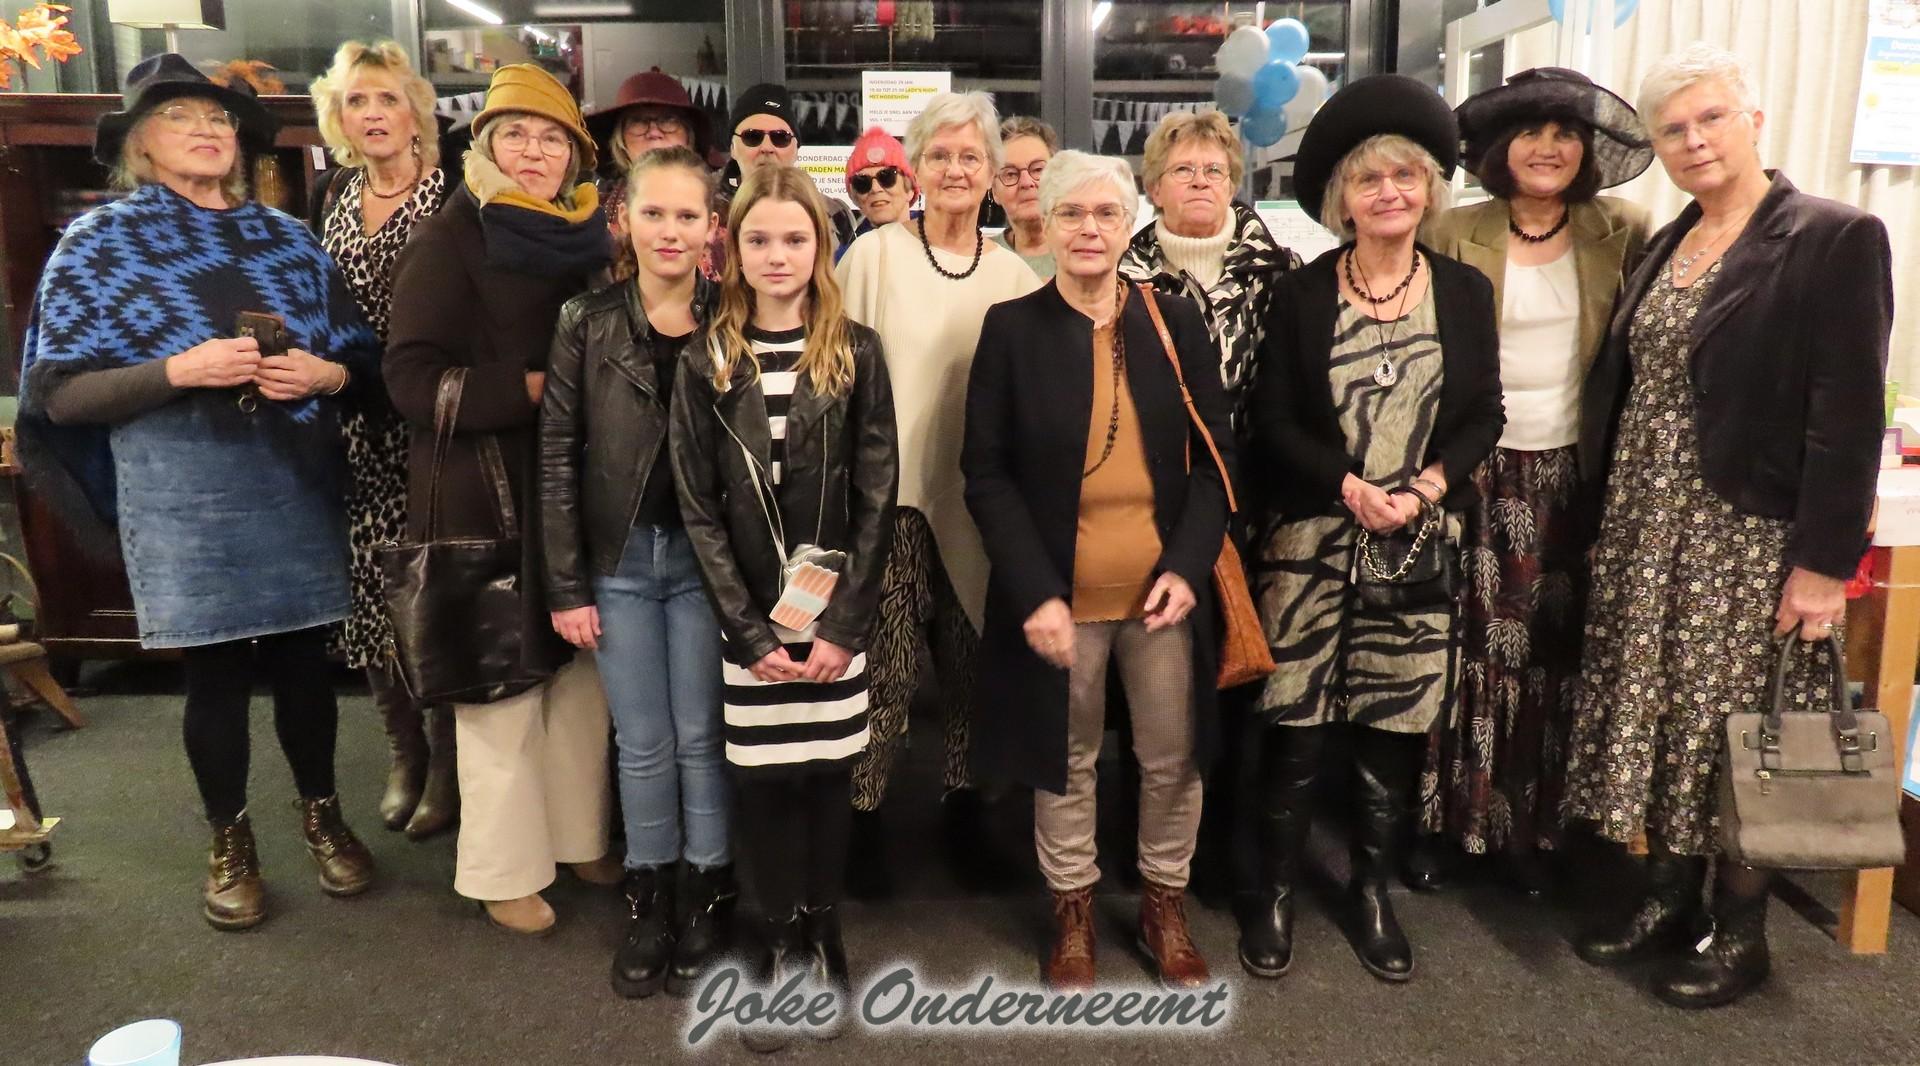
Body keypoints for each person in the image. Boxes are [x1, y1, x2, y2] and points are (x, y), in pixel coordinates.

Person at [17, 53, 380, 931]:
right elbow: (57, 394)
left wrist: (324, 375)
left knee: (303, 664)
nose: (207, 130)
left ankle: (324, 816)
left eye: (218, 118)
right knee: (214, 673)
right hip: (180, 487)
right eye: (180, 117)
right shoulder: (98, 243)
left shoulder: (290, 241)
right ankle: (231, 841)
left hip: (291, 475)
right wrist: (178, 370)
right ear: (139, 145)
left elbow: (365, 364)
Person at [1565, 44, 1893, 1010]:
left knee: (1741, 726)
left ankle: (1741, 931)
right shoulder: (1669, 243)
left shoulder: (1833, 237)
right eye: (1673, 129)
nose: (1694, 140)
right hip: (1649, 525)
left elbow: (1847, 416)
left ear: (1752, 120)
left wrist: (1825, 566)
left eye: (1711, 117)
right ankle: (1668, 898)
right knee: (1670, 716)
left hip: (1744, 537)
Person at [1239, 75, 1502, 984]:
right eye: (1368, 179)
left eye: (1405, 176)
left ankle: (1372, 892)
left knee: (1393, 723)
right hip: (1311, 542)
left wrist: (1425, 489)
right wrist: (1348, 486)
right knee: (1297, 722)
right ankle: (1274, 890)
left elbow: (1485, 414)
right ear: (1341, 200)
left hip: (1415, 543)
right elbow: (1271, 420)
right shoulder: (1303, 294)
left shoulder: (1463, 292)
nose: (1389, 192)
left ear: (1429, 189)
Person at [964, 151, 1231, 991]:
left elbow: (1216, 462)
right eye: (1071, 214)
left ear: (1129, 225)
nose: (1089, 229)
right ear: (1045, 224)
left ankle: (1164, 904)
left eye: (1106, 214)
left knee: (1172, 755)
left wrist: (1188, 566)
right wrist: (1034, 591)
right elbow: (986, 474)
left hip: (1161, 594)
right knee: (1068, 756)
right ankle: (1072, 910)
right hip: (1060, 596)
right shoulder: (1011, 329)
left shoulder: (1172, 319)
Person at [385, 63, 618, 937]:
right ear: (484, 144)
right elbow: (410, 378)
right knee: (502, 691)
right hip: (483, 494)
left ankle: (577, 836)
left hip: (573, 488)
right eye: (514, 133)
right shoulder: (450, 237)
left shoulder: (585, 235)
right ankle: (499, 870)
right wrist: (535, 390)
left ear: (575, 157)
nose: (534, 151)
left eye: (552, 138)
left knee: (581, 680)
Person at [670, 164, 897, 1050]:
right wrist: (747, 630)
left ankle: (820, 929)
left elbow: (877, 496)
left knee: (826, 777)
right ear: (732, 248)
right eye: (759, 239)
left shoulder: (856, 351)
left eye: (795, 239)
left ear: (819, 246)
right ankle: (769, 936)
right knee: (763, 784)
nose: (777, 255)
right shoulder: (706, 357)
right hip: (752, 623)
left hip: (835, 618)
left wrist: (844, 626)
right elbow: (699, 509)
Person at [1410, 68, 1653, 894]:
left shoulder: (1624, 229)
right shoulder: (1453, 229)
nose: (1547, 147)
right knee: (1465, 647)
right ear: (1499, 149)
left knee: (1551, 656)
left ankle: (1534, 832)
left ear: (1587, 150)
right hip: (1474, 467)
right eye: (1530, 132)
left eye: (1565, 133)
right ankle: (1449, 822)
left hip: (1573, 474)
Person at [540, 145, 733, 997]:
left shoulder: (732, 318)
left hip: (705, 564)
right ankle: (649, 894)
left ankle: (707, 888)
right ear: (623, 220)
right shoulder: (585, 320)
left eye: (688, 215)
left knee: (702, 736)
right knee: (643, 741)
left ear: (712, 227)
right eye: (654, 213)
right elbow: (556, 455)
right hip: (617, 559)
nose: (670, 230)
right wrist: (565, 584)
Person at [835, 91, 1041, 861]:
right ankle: (862, 814)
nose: (956, 169)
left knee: (969, 664)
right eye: (940, 155)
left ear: (991, 172)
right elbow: (835, 375)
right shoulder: (875, 256)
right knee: (884, 672)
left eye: (971, 156)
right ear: (916, 169)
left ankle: (966, 808)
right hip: (887, 500)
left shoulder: (1014, 275)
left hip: (977, 502)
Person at [308, 39, 459, 843]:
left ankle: (447, 759)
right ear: (338, 116)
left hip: (428, 427)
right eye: (357, 101)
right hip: (353, 425)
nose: (372, 114)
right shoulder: (330, 193)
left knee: (430, 595)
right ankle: (403, 748)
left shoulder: (452, 194)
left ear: (415, 113)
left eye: (387, 99)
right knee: (367, 593)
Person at [1120, 110, 1301, 435]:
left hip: (1258, 461)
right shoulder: (1123, 281)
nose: (1200, 181)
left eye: (1214, 170)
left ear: (1231, 188)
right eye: (1183, 169)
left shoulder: (1282, 273)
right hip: (1159, 459)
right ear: (1155, 189)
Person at [585, 70, 713, 280]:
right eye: (638, 121)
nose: (654, 132)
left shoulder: (724, 212)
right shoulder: (592, 215)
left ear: (688, 135)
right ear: (621, 140)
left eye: (668, 120)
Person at [715, 83, 855, 272]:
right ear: (732, 147)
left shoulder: (834, 215)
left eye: (780, 138)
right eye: (752, 137)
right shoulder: (704, 211)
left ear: (796, 149)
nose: (767, 148)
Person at [990, 115, 1058, 278]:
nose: (1026, 182)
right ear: (994, 191)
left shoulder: (1086, 252)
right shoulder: (980, 258)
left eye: (1038, 169)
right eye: (1010, 174)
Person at [837, 126, 917, 263]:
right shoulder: (845, 260)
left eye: (887, 177)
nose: (875, 189)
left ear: (910, 190)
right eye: (862, 182)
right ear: (855, 198)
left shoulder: (940, 248)